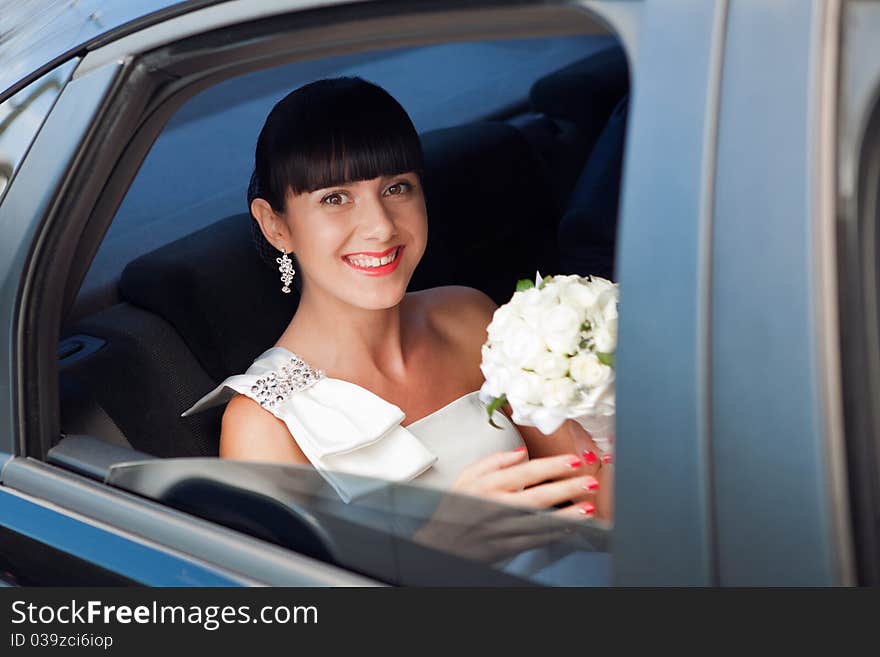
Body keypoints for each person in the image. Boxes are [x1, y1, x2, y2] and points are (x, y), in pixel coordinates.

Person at [182, 77, 613, 545]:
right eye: (334, 198)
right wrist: (438, 551)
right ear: (275, 226)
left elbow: (596, 500)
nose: (380, 227)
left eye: (396, 188)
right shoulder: (264, 425)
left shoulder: (467, 317)